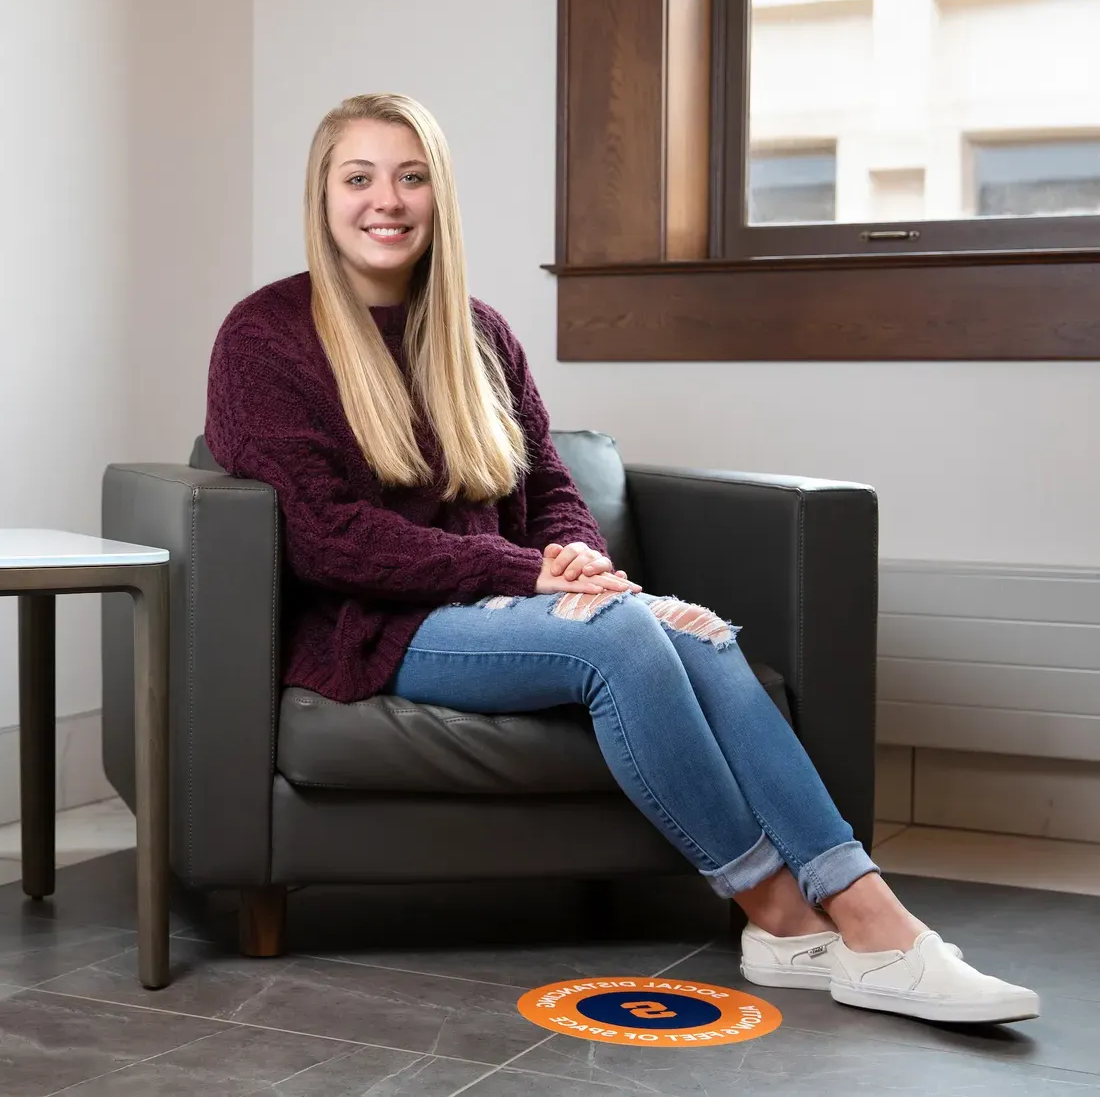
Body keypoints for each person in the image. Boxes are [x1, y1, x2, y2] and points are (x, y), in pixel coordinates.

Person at [205, 92, 1037, 1026]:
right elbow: (326, 536)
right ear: (321, 197)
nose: (385, 200)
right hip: (375, 626)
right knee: (625, 641)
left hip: (507, 602)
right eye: (358, 178)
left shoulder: (478, 333)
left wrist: (586, 566)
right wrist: (528, 577)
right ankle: (781, 908)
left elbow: (553, 485)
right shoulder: (264, 337)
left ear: (440, 196)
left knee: (705, 637)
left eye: (412, 176)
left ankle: (868, 919)